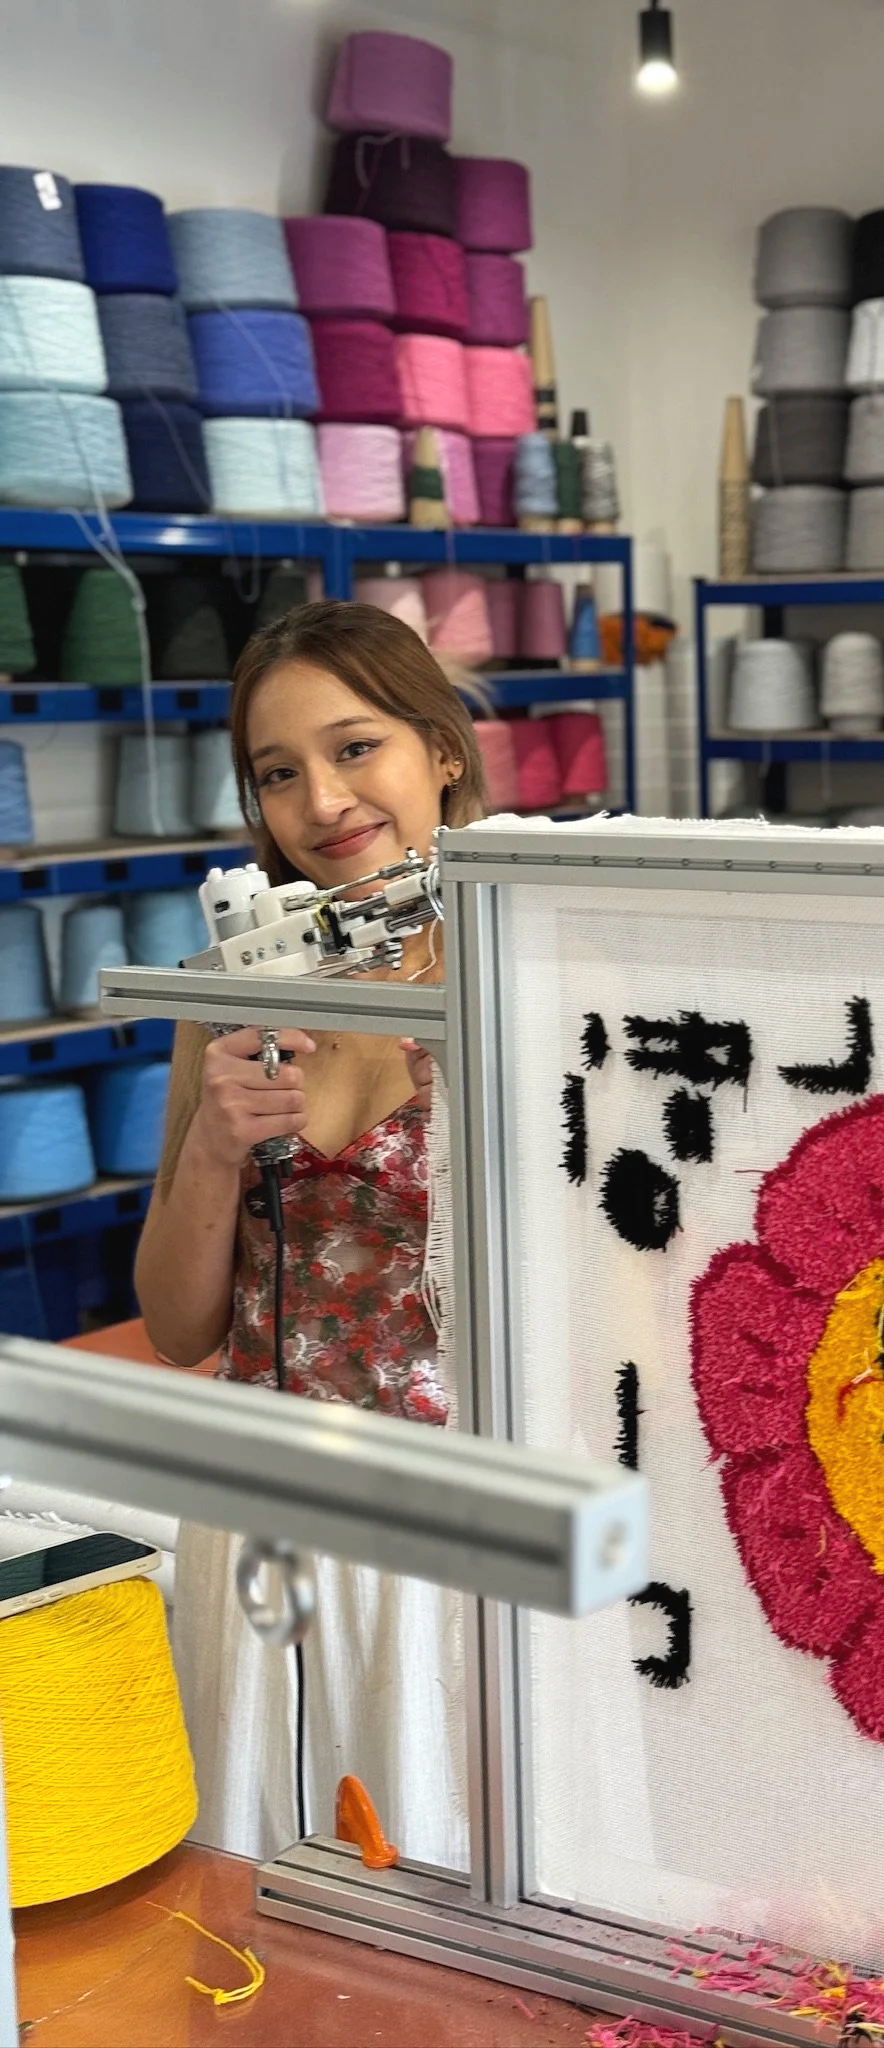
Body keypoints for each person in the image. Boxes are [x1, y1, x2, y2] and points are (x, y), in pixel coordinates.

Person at [135, 599, 487, 1865]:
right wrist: (219, 1147)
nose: (322, 800)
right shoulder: (229, 992)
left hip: (463, 1525)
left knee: (459, 1896)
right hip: (267, 1517)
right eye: (278, 773)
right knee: (267, 1894)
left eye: (356, 748)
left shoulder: (538, 973)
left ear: (439, 748)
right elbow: (178, 1326)